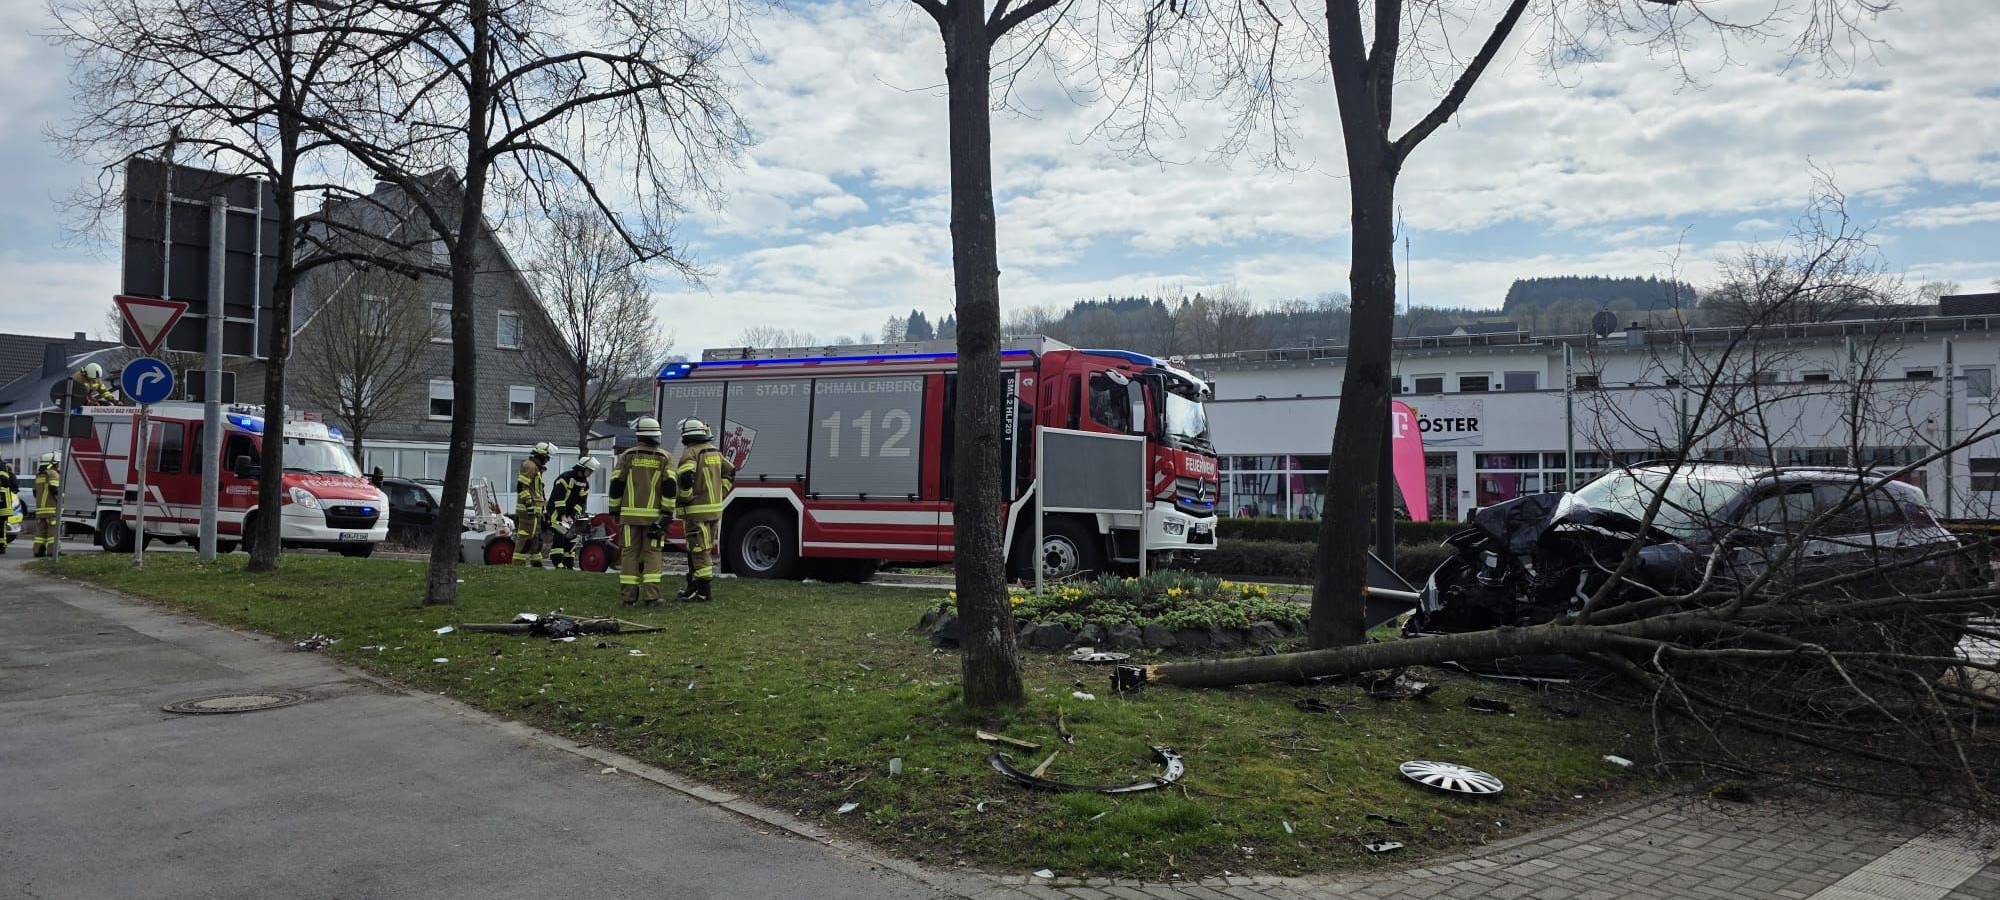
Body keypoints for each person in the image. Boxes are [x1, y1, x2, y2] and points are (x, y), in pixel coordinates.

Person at [608, 420, 673, 604]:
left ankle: (628, 597)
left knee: (629, 554)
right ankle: (652, 597)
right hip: (654, 518)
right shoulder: (664, 457)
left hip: (629, 517)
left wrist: (614, 510)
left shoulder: (627, 456)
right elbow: (670, 486)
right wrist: (667, 513)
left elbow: (616, 484)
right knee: (652, 554)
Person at [672, 417, 735, 603]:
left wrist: (686, 497)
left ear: (686, 436)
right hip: (713, 511)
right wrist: (721, 492)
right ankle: (692, 588)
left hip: (696, 512)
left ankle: (703, 593)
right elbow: (730, 472)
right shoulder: (714, 451)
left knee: (699, 551)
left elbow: (686, 477)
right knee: (697, 549)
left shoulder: (690, 453)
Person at [545, 456, 597, 570]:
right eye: (589, 470)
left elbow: (581, 503)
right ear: (582, 468)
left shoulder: (585, 484)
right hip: (555, 512)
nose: (590, 473)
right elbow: (558, 498)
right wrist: (563, 515)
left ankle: (569, 563)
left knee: (573, 536)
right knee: (560, 532)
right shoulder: (565, 478)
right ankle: (557, 562)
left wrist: (573, 516)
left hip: (569, 515)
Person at [513, 441, 554, 567]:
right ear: (541, 455)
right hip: (528, 510)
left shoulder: (536, 468)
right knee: (525, 538)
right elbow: (521, 486)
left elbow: (537, 491)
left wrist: (543, 509)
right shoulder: (530, 466)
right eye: (547, 457)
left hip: (536, 510)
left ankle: (536, 563)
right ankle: (517, 564)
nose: (548, 460)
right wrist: (529, 504)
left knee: (536, 537)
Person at [32, 452, 61, 558]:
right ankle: (52, 552)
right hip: (52, 508)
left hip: (40, 509)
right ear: (52, 463)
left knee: (40, 532)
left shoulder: (39, 475)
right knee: (53, 532)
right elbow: (55, 490)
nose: (58, 465)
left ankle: (38, 551)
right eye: (57, 463)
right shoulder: (52, 473)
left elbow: (35, 493)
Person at [0, 459, 17, 555]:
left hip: (3, 502)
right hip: (3, 502)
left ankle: (1, 545)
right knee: (1, 524)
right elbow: (12, 486)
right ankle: (1, 546)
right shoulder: (3, 467)